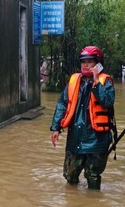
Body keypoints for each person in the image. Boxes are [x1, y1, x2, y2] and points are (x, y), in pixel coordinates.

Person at [49, 46, 115, 190]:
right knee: (70, 175)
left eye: (90, 62)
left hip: (96, 139)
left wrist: (96, 81)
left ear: (98, 64)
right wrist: (56, 128)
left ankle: (93, 206)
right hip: (76, 137)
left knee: (93, 176)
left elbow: (107, 101)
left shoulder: (106, 82)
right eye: (83, 62)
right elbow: (62, 103)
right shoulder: (74, 81)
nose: (85, 65)